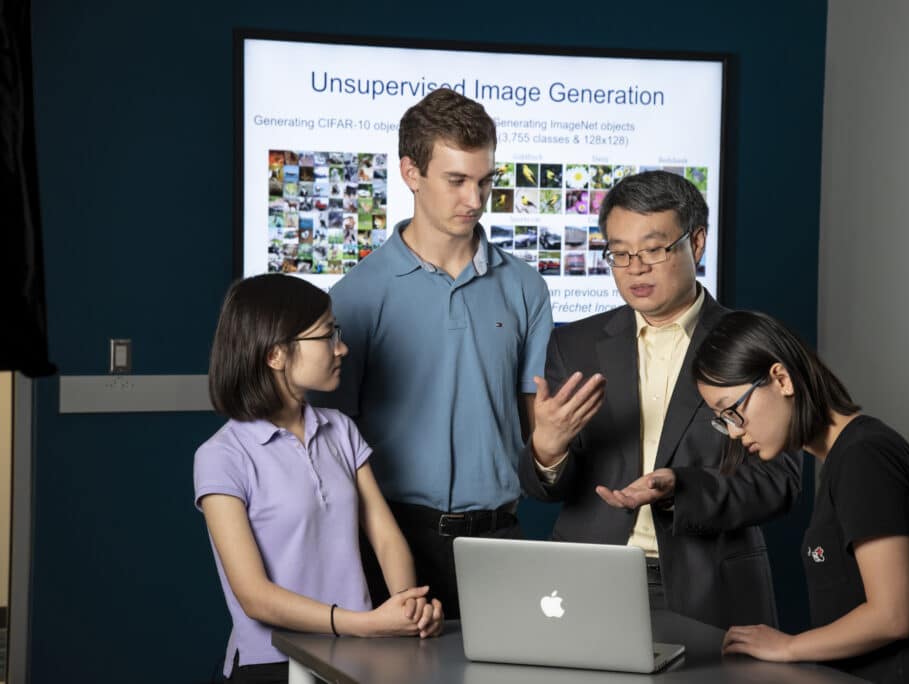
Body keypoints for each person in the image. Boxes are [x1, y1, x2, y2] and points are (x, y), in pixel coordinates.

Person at [519, 170, 802, 629]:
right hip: (586, 583)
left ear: (697, 243)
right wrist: (547, 450)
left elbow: (780, 483)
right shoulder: (576, 344)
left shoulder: (753, 342)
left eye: (653, 249)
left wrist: (680, 488)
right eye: (620, 253)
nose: (635, 268)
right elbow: (544, 489)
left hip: (707, 586)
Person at [317, 88, 553, 617]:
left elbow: (534, 424)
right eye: (456, 180)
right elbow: (333, 440)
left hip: (502, 538)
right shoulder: (355, 295)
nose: (474, 198)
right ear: (410, 172)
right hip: (391, 541)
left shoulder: (527, 288)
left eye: (485, 180)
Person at [693, 310, 909, 683]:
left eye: (732, 412)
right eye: (722, 420)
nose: (734, 433)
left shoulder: (864, 457)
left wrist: (789, 647)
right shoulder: (846, 457)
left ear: (781, 379)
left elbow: (892, 615)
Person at [194, 274, 443, 684]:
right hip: (271, 664)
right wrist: (365, 624)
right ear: (276, 354)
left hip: (356, 654)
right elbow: (254, 596)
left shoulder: (341, 429)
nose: (341, 348)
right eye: (327, 336)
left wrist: (406, 607)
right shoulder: (221, 457)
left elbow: (384, 535)